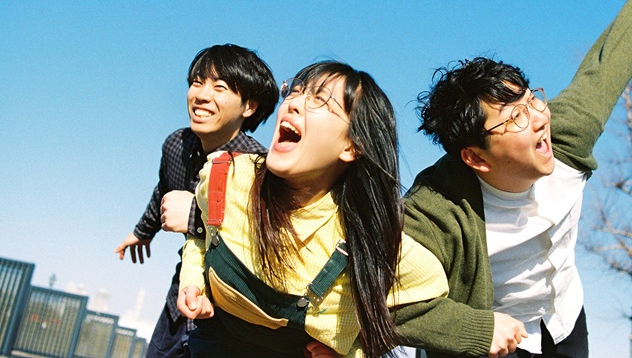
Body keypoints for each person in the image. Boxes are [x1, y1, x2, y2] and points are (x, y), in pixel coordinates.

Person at [395, 0, 632, 358]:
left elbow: (609, 63)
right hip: (491, 338)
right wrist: (474, 329)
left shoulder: (565, 136)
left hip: (564, 320)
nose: (538, 118)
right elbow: (372, 293)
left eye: (531, 99)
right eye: (515, 116)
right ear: (475, 157)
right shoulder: (435, 210)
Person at [177, 61, 449, 358]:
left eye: (320, 100)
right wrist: (192, 279)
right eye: (295, 91)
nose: (293, 103)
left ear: (351, 147)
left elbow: (429, 291)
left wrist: (355, 351)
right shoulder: (225, 175)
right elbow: (200, 236)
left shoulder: (366, 240)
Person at [115, 44, 279, 358]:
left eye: (219, 88)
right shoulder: (176, 145)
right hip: (180, 301)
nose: (201, 95)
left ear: (249, 106)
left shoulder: (259, 169)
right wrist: (143, 231)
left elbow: (261, 242)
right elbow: (164, 190)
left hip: (230, 318)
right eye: (197, 83)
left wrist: (194, 216)